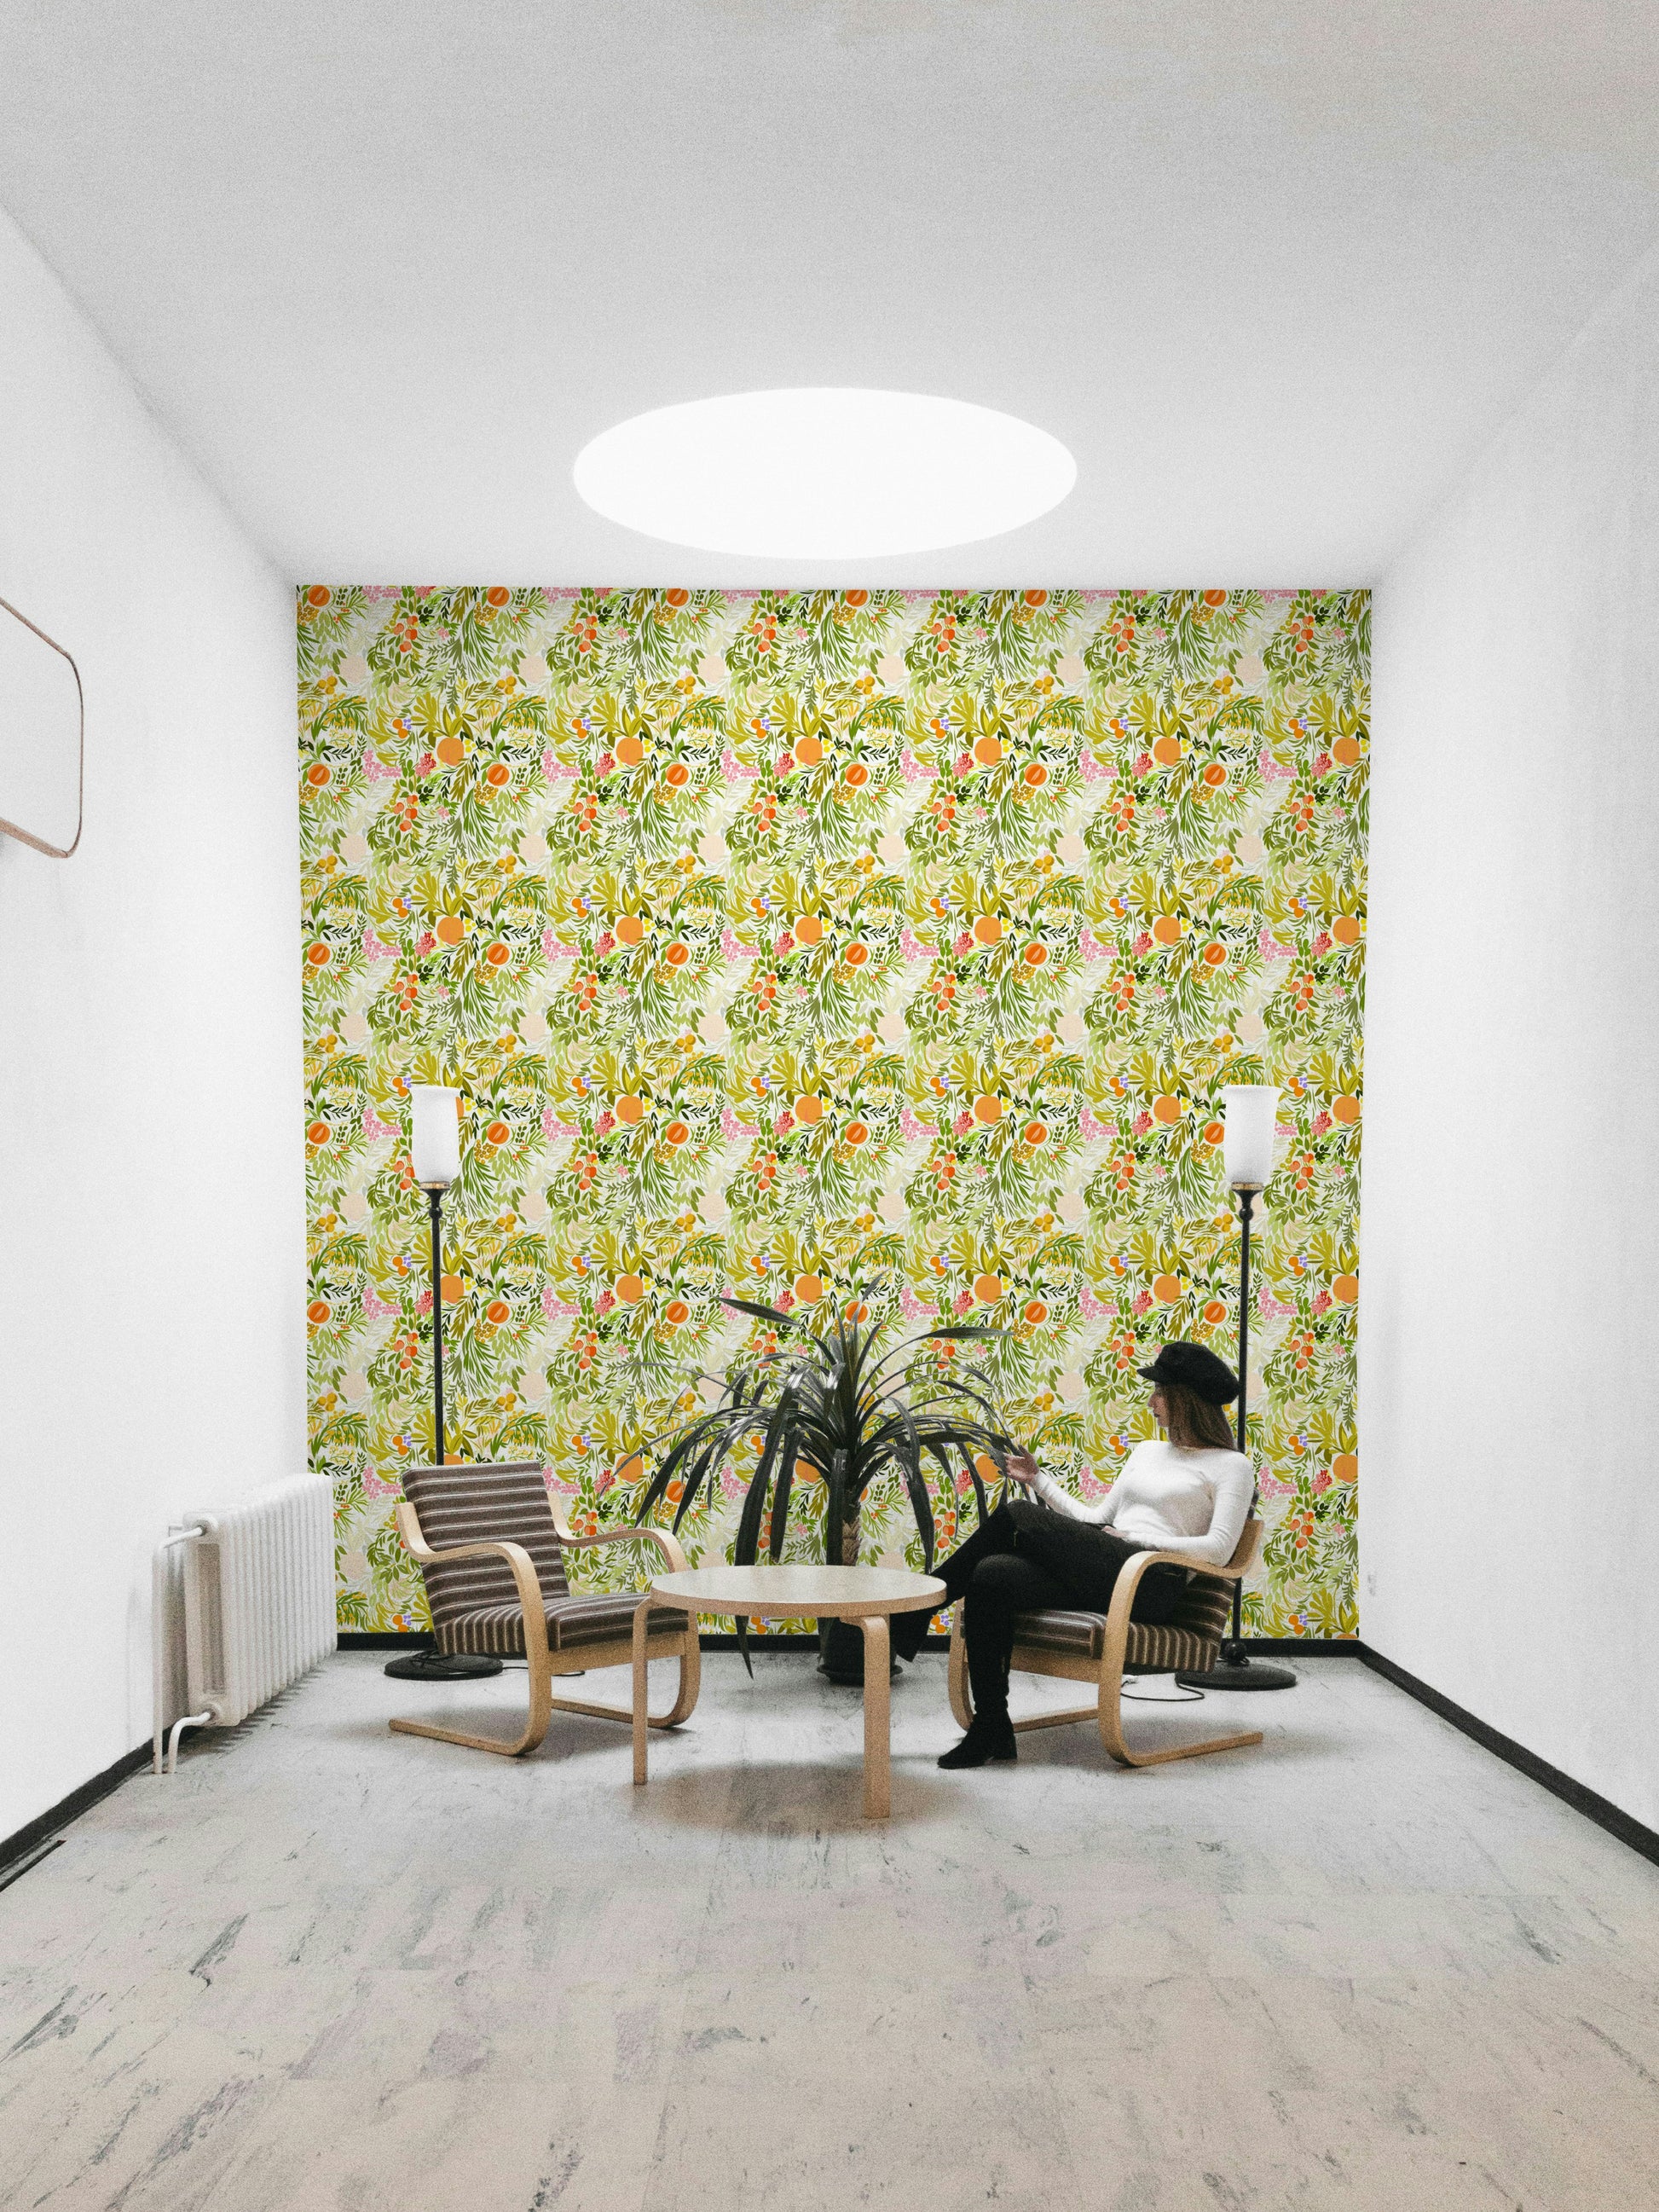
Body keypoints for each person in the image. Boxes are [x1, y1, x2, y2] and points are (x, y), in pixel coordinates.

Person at [894, 1341, 1255, 1769]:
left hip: (1151, 1583)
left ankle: (917, 1610)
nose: (1151, 1402)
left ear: (1185, 1399)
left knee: (1014, 1515)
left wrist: (1139, 1542)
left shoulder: (1232, 1466)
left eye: (1159, 1392)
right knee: (992, 1574)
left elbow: (1220, 1550)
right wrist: (1038, 1480)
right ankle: (991, 1726)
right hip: (1108, 1567)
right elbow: (1095, 1518)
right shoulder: (1147, 1451)